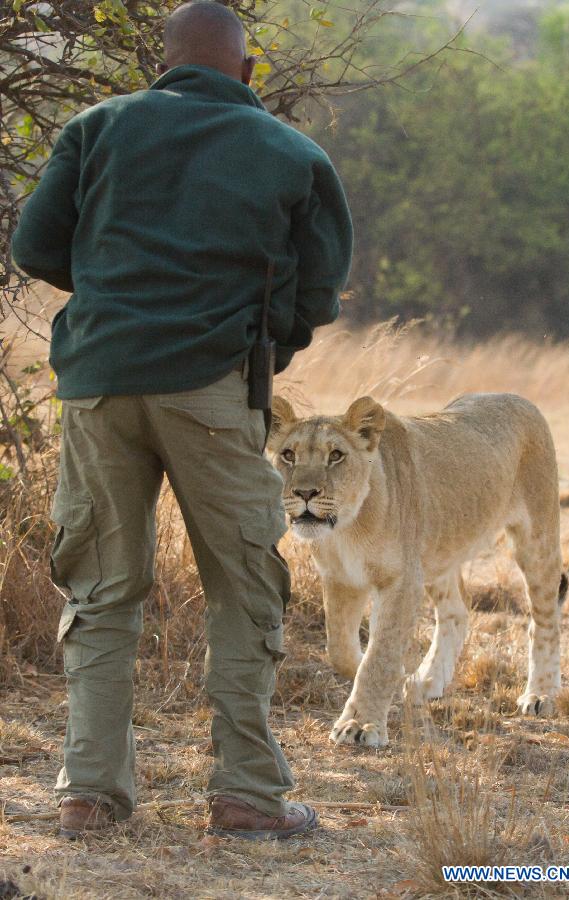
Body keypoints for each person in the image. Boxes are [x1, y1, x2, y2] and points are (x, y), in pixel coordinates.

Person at [11, 0, 352, 840]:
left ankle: (88, 796)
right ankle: (245, 799)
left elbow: (34, 248)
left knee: (100, 591)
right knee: (244, 586)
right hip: (213, 390)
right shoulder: (292, 152)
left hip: (97, 384)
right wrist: (256, 336)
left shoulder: (95, 128)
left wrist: (115, 294)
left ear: (161, 64)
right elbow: (317, 293)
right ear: (245, 70)